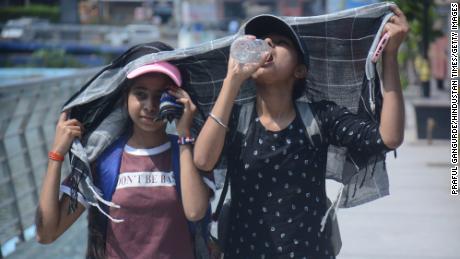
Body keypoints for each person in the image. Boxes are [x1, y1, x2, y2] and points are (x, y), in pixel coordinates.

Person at [194, 6, 408, 259]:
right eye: (262, 41)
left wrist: (390, 55)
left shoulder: (320, 117)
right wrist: (232, 80)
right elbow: (203, 160)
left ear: (300, 70)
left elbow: (388, 137)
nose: (268, 44)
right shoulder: (237, 118)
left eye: (280, 42)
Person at [35, 42, 212, 258]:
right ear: (125, 98)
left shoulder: (193, 154)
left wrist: (185, 136)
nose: (150, 106)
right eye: (141, 94)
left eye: (159, 96)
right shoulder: (101, 159)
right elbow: (46, 233)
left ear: (176, 98)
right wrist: (56, 156)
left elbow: (195, 212)